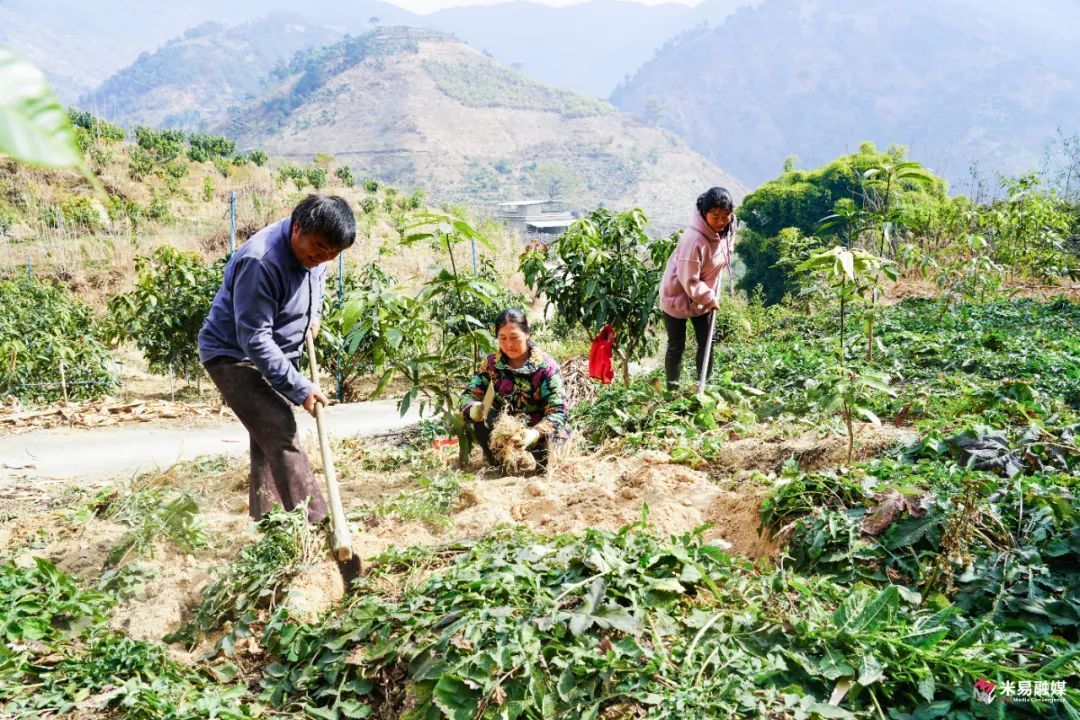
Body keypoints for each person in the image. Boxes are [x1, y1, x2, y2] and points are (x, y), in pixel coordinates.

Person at [198, 194, 356, 522]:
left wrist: (313, 315)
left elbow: (317, 283)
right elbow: (254, 338)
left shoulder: (319, 254)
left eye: (333, 253)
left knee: (266, 438)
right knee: (280, 430)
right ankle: (317, 524)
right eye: (318, 247)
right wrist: (300, 388)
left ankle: (268, 519)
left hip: (279, 352)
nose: (323, 257)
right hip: (234, 356)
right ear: (297, 227)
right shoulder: (262, 261)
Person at [461, 309, 570, 469]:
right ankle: (498, 465)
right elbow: (469, 394)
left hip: (539, 430)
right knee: (483, 422)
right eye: (502, 338)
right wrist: (473, 409)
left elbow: (559, 411)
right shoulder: (491, 364)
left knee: (550, 467)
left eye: (514, 337)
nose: (509, 344)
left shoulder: (546, 367)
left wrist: (534, 433)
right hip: (505, 430)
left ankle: (543, 457)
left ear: (527, 334)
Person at [658, 186, 736, 390]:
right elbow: (689, 281)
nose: (721, 221)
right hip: (677, 294)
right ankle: (672, 391)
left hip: (702, 296)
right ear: (704, 213)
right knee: (677, 346)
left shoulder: (727, 227)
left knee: (708, 341)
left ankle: (703, 385)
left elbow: (727, 244)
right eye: (715, 216)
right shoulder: (694, 240)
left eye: (725, 216)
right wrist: (709, 297)